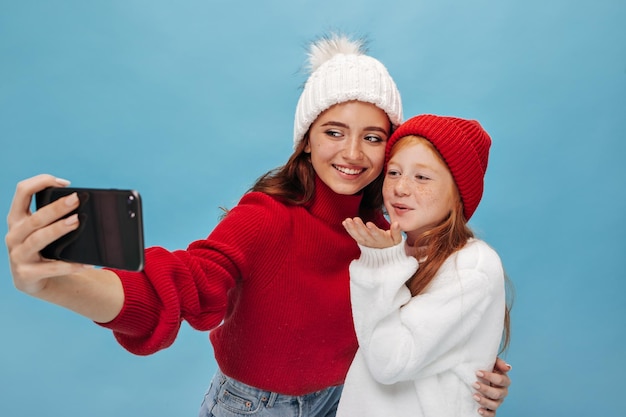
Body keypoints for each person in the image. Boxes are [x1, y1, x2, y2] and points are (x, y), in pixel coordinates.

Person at [5, 34, 510, 417]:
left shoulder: (381, 233)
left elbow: (411, 326)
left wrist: (467, 371)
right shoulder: (267, 217)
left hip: (351, 401)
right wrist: (61, 282)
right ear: (306, 140)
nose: (353, 154)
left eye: (374, 137)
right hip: (257, 405)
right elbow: (180, 285)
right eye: (334, 132)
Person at [338, 114, 510, 417]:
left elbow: (389, 361)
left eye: (422, 177)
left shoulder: (471, 265)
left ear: (458, 195)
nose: (401, 188)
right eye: (393, 172)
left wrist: (379, 267)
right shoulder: (398, 252)